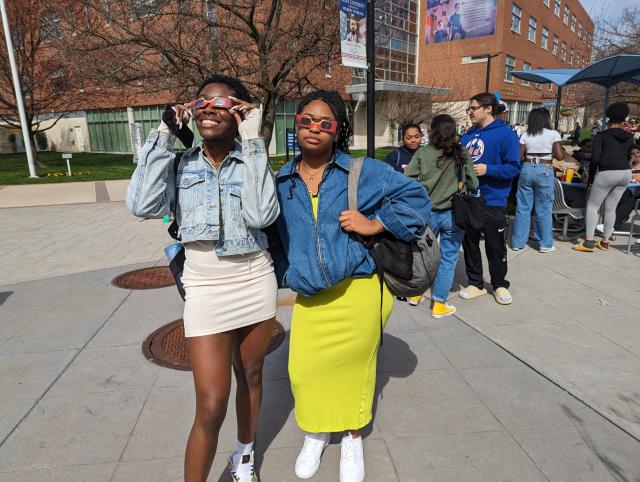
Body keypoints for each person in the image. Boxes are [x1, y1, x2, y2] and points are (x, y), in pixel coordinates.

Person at [267, 90, 430, 482]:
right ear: (296, 123)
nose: (314, 128)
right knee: (304, 371)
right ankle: (317, 431)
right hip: (309, 295)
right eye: (307, 120)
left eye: (325, 123)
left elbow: (417, 196)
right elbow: (271, 235)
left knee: (357, 368)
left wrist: (376, 223)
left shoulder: (362, 171)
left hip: (358, 288)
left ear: (337, 130)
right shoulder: (282, 180)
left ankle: (353, 435)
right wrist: (288, 274)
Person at [126, 74, 280, 482]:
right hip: (205, 289)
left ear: (240, 113)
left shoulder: (253, 159)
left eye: (222, 103)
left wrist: (253, 142)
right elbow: (140, 204)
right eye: (202, 103)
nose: (210, 109)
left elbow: (263, 216)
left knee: (250, 373)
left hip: (253, 279)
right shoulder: (179, 163)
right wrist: (162, 135)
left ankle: (244, 458)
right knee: (211, 404)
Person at [405, 114, 478, 318]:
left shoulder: (422, 152)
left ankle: (416, 294)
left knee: (422, 254)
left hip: (427, 212)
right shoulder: (461, 153)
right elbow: (474, 184)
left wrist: (423, 188)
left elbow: (407, 179)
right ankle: (439, 303)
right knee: (449, 258)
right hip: (453, 213)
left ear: (432, 132)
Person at [460, 92, 520, 305]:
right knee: (470, 243)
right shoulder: (467, 135)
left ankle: (499, 284)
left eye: (473, 108)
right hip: (468, 199)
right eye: (469, 108)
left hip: (492, 199)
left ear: (488, 109)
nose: (470, 112)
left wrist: (489, 169)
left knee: (495, 246)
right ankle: (475, 283)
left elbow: (513, 168)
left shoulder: (506, 135)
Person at [574, 102, 634, 252]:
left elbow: (595, 159)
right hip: (625, 173)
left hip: (607, 172)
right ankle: (605, 242)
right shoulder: (629, 137)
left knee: (593, 206)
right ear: (623, 119)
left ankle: (588, 242)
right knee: (611, 208)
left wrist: (591, 179)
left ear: (609, 119)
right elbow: (626, 155)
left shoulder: (601, 136)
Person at [511, 107, 564, 253]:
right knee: (543, 209)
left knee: (523, 208)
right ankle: (545, 244)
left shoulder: (526, 135)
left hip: (527, 168)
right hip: (544, 169)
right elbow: (560, 156)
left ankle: (517, 242)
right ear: (546, 119)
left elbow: (519, 156)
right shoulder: (553, 134)